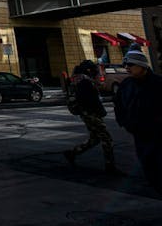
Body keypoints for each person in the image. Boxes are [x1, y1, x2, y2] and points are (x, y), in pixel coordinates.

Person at [113, 48, 162, 194]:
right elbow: (119, 105)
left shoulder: (158, 84)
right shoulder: (126, 85)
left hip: (158, 134)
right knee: (147, 164)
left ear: (143, 66)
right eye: (126, 65)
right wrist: (124, 122)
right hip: (139, 133)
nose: (127, 68)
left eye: (131, 65)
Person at [63, 60, 120, 174]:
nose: (98, 72)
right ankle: (110, 166)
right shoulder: (86, 82)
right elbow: (93, 100)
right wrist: (102, 112)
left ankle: (73, 153)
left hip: (86, 113)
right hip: (91, 113)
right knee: (106, 139)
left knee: (95, 138)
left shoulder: (79, 80)